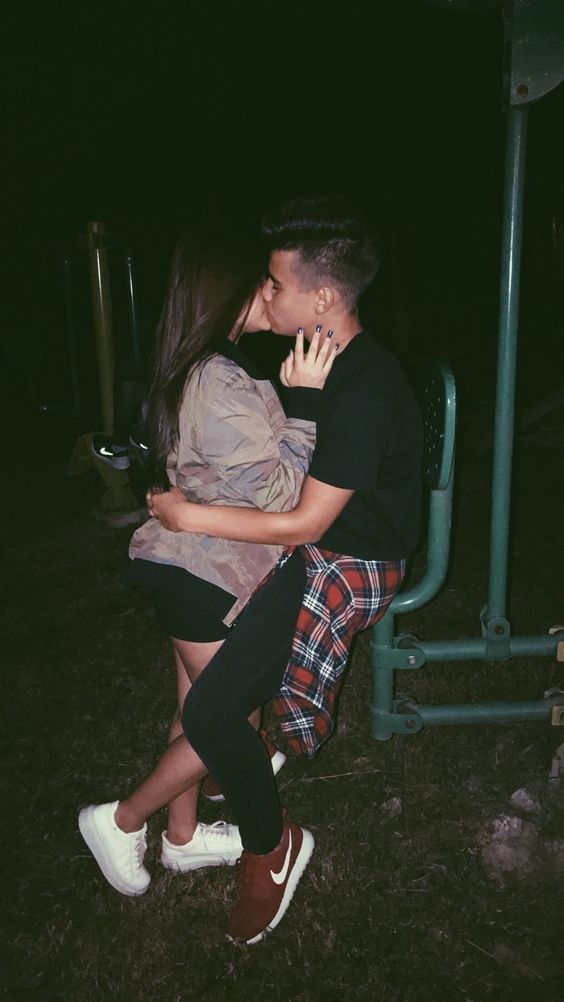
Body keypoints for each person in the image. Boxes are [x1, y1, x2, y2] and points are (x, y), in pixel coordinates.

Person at [81, 194, 423, 946]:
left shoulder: (360, 387)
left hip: (347, 563)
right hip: (307, 549)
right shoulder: (324, 369)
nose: (266, 293)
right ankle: (187, 817)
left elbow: (302, 520)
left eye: (276, 282)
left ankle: (265, 846)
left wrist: (188, 515)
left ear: (322, 298)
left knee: (213, 714)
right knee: (211, 705)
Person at [78, 221, 336, 905]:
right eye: (265, 281)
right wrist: (306, 404)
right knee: (229, 718)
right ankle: (121, 820)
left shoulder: (201, 368)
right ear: (232, 289)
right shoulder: (218, 379)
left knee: (196, 710)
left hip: (193, 569)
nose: (272, 292)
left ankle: (183, 836)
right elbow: (281, 495)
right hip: (211, 575)